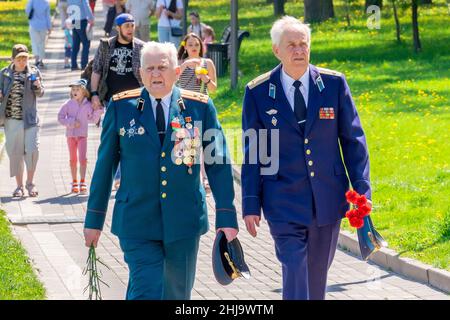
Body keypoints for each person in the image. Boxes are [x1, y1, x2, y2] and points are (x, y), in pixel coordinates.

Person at [83, 41, 238, 300]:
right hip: (137, 220)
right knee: (148, 287)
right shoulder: (122, 108)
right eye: (150, 69)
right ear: (140, 73)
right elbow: (104, 166)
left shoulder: (199, 106)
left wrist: (226, 215)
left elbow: (218, 161)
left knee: (177, 293)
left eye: (162, 68)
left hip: (184, 220)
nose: (155, 74)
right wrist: (94, 219)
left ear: (176, 72)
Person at [241, 16, 373, 300]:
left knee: (316, 277)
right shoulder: (258, 92)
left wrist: (362, 190)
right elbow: (254, 153)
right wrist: (251, 202)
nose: (299, 50)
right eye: (292, 45)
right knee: (294, 265)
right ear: (277, 50)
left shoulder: (334, 84)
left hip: (326, 198)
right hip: (282, 200)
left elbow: (353, 141)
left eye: (304, 44)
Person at [91, 13, 145, 189]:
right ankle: (113, 176)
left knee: (132, 137)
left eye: (132, 25)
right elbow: (97, 69)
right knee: (112, 137)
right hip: (111, 100)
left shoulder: (141, 47)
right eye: (127, 25)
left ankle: (126, 175)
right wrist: (94, 94)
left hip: (135, 100)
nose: (130, 29)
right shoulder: (106, 45)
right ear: (118, 27)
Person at [0, 44, 44, 198]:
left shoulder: (34, 72)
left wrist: (38, 87)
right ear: (12, 59)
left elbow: (41, 93)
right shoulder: (3, 74)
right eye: (19, 58)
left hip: (30, 119)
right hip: (12, 120)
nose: (22, 61)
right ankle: (19, 186)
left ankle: (30, 183)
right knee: (15, 153)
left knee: (32, 151)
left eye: (25, 58)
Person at [57, 79, 103, 194]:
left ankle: (83, 181)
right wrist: (72, 122)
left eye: (77, 89)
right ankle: (74, 182)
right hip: (71, 136)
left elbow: (93, 119)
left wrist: (98, 111)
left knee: (83, 159)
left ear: (84, 91)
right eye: (73, 90)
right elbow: (60, 118)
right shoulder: (68, 104)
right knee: (73, 159)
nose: (75, 92)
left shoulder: (88, 105)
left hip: (82, 136)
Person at [68, 0, 95, 71]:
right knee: (86, 43)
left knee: (76, 43)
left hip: (74, 19)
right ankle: (84, 65)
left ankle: (73, 65)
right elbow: (86, 6)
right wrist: (91, 18)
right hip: (82, 20)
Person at [25, 0, 52, 68]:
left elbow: (27, 10)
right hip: (43, 25)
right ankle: (41, 60)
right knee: (42, 43)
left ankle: (36, 59)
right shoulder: (46, 3)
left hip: (33, 24)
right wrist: (49, 27)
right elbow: (47, 16)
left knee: (34, 42)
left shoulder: (32, 1)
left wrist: (31, 16)